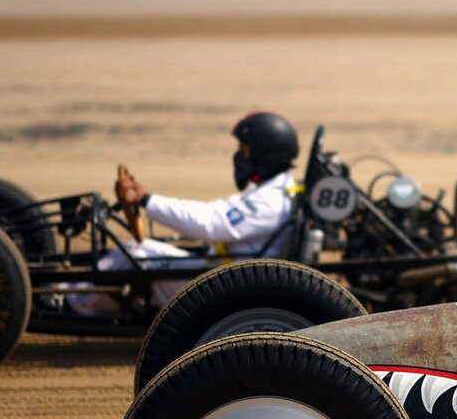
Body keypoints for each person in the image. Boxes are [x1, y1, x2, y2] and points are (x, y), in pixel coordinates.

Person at [65, 111, 300, 316]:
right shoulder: (274, 192)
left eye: (244, 149)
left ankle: (70, 303)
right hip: (223, 278)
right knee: (143, 249)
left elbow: (208, 223)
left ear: (263, 154)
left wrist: (145, 200)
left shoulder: (270, 202)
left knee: (135, 255)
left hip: (224, 288)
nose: (239, 156)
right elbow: (217, 216)